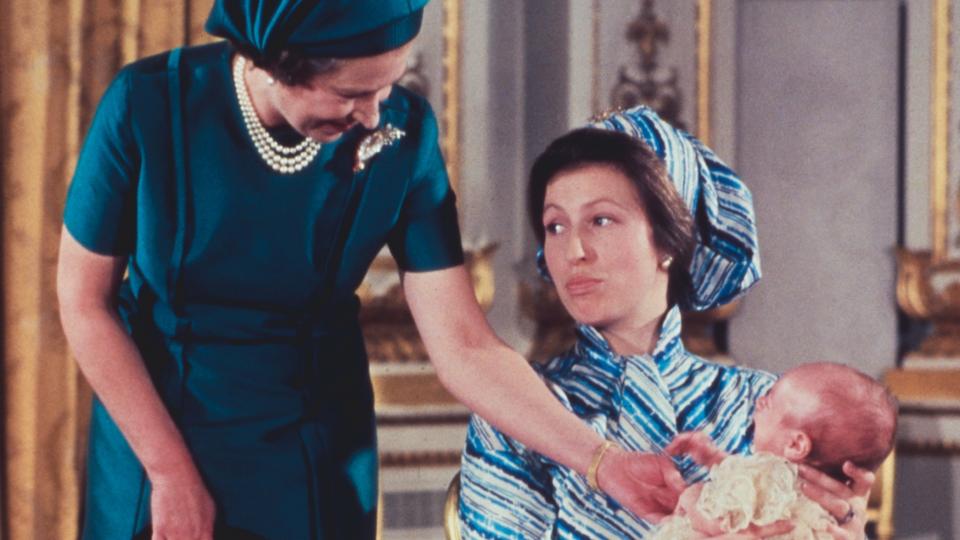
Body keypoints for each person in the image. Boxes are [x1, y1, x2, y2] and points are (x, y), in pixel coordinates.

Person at [57, 3, 684, 539]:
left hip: (313, 441)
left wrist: (603, 462)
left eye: (387, 87)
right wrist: (169, 473)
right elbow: (85, 304)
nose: (375, 115)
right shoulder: (147, 103)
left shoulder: (405, 136)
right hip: (157, 432)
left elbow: (465, 345)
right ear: (278, 65)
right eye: (353, 94)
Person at [459, 107, 875, 539]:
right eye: (555, 225)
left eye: (601, 220)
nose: (573, 250)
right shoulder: (516, 412)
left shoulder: (765, 404)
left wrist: (845, 530)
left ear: (668, 239)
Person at [655, 362, 898, 539]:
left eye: (769, 400)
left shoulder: (772, 480)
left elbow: (723, 518)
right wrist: (711, 457)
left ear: (795, 445)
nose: (759, 401)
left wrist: (693, 496)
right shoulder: (825, 509)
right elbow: (745, 476)